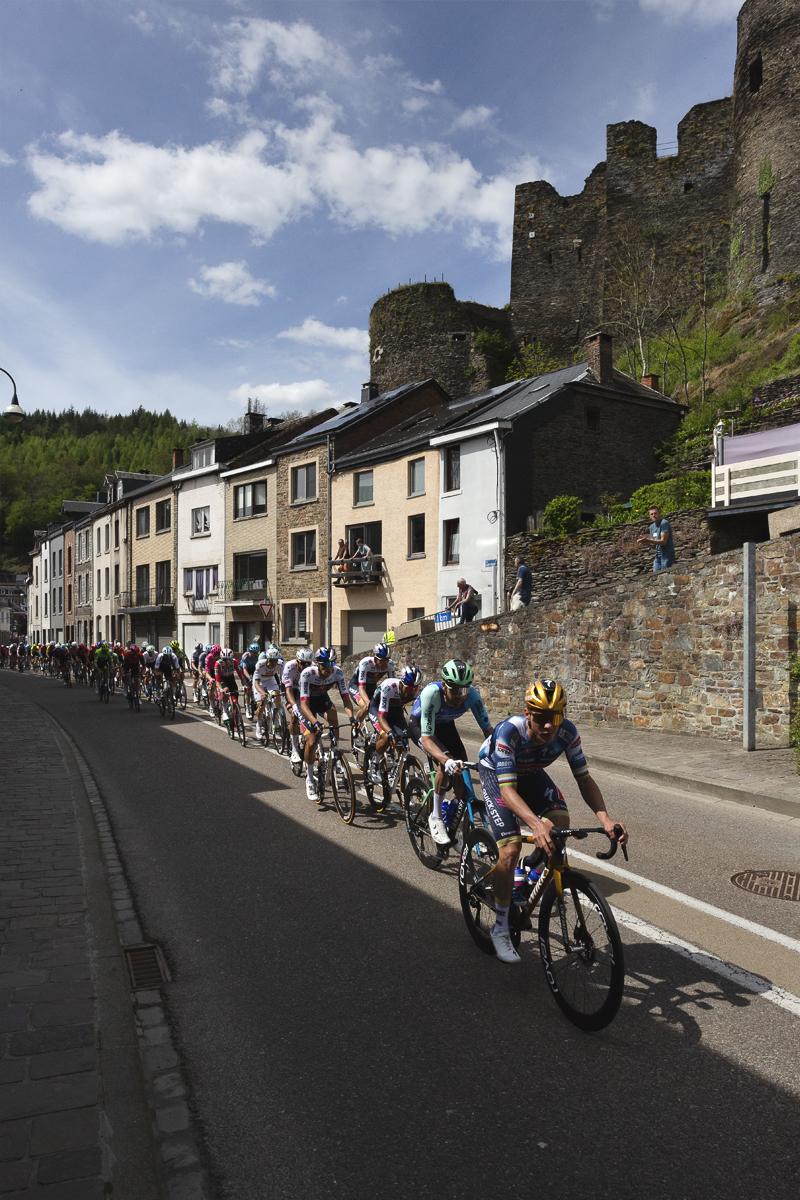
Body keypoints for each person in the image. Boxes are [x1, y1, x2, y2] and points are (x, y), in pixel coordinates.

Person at [478, 678, 628, 964]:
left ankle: (528, 870)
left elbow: (584, 779)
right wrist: (534, 824)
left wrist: (605, 818)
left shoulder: (568, 733)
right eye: (542, 718)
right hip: (497, 774)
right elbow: (508, 791)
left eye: (555, 718)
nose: (549, 726)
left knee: (558, 826)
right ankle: (500, 927)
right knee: (509, 850)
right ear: (528, 714)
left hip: (531, 772)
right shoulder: (509, 732)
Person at [409, 659, 493, 846]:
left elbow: (489, 731)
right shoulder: (432, 693)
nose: (460, 695)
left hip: (446, 726)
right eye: (455, 690)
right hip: (421, 728)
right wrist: (446, 760)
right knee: (446, 763)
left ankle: (452, 810)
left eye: (465, 690)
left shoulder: (472, 695)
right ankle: (436, 816)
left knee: (462, 773)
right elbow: (427, 740)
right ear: (444, 685)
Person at [298, 647, 355, 801]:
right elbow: (303, 705)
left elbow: (346, 699)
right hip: (306, 703)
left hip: (322, 699)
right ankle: (310, 779)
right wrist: (315, 722)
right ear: (317, 663)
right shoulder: (307, 674)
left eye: (331, 663)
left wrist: (352, 718)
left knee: (333, 715)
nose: (328, 668)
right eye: (324, 664)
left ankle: (334, 752)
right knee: (311, 741)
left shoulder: (337, 673)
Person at [368, 666, 422, 768]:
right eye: (410, 688)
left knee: (403, 739)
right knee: (387, 737)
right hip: (377, 709)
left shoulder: (419, 692)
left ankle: (400, 767)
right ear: (401, 684)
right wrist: (389, 732)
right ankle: (374, 763)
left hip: (396, 710)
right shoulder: (389, 687)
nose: (413, 692)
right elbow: (382, 718)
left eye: (416, 688)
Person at [281, 647, 314, 765]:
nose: (306, 666)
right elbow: (288, 691)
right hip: (290, 690)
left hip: (303, 690)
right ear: (297, 661)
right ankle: (294, 750)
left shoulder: (312, 667)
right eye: (303, 664)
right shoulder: (289, 667)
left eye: (308, 663)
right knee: (294, 715)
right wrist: (294, 706)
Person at [348, 643, 395, 724]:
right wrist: (368, 703)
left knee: (384, 708)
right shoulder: (366, 663)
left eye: (387, 660)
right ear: (375, 659)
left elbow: (393, 686)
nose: (385, 663)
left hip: (372, 687)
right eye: (382, 660)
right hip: (357, 685)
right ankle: (356, 727)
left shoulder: (390, 665)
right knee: (366, 707)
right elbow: (362, 688)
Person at [637, 506, 675, 572]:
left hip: (667, 553)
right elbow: (655, 545)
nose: (653, 515)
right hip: (658, 554)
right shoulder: (652, 527)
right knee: (655, 574)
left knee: (664, 574)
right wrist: (646, 543)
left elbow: (663, 542)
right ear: (649, 516)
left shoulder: (664, 523)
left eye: (655, 513)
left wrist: (648, 540)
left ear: (659, 513)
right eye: (651, 514)